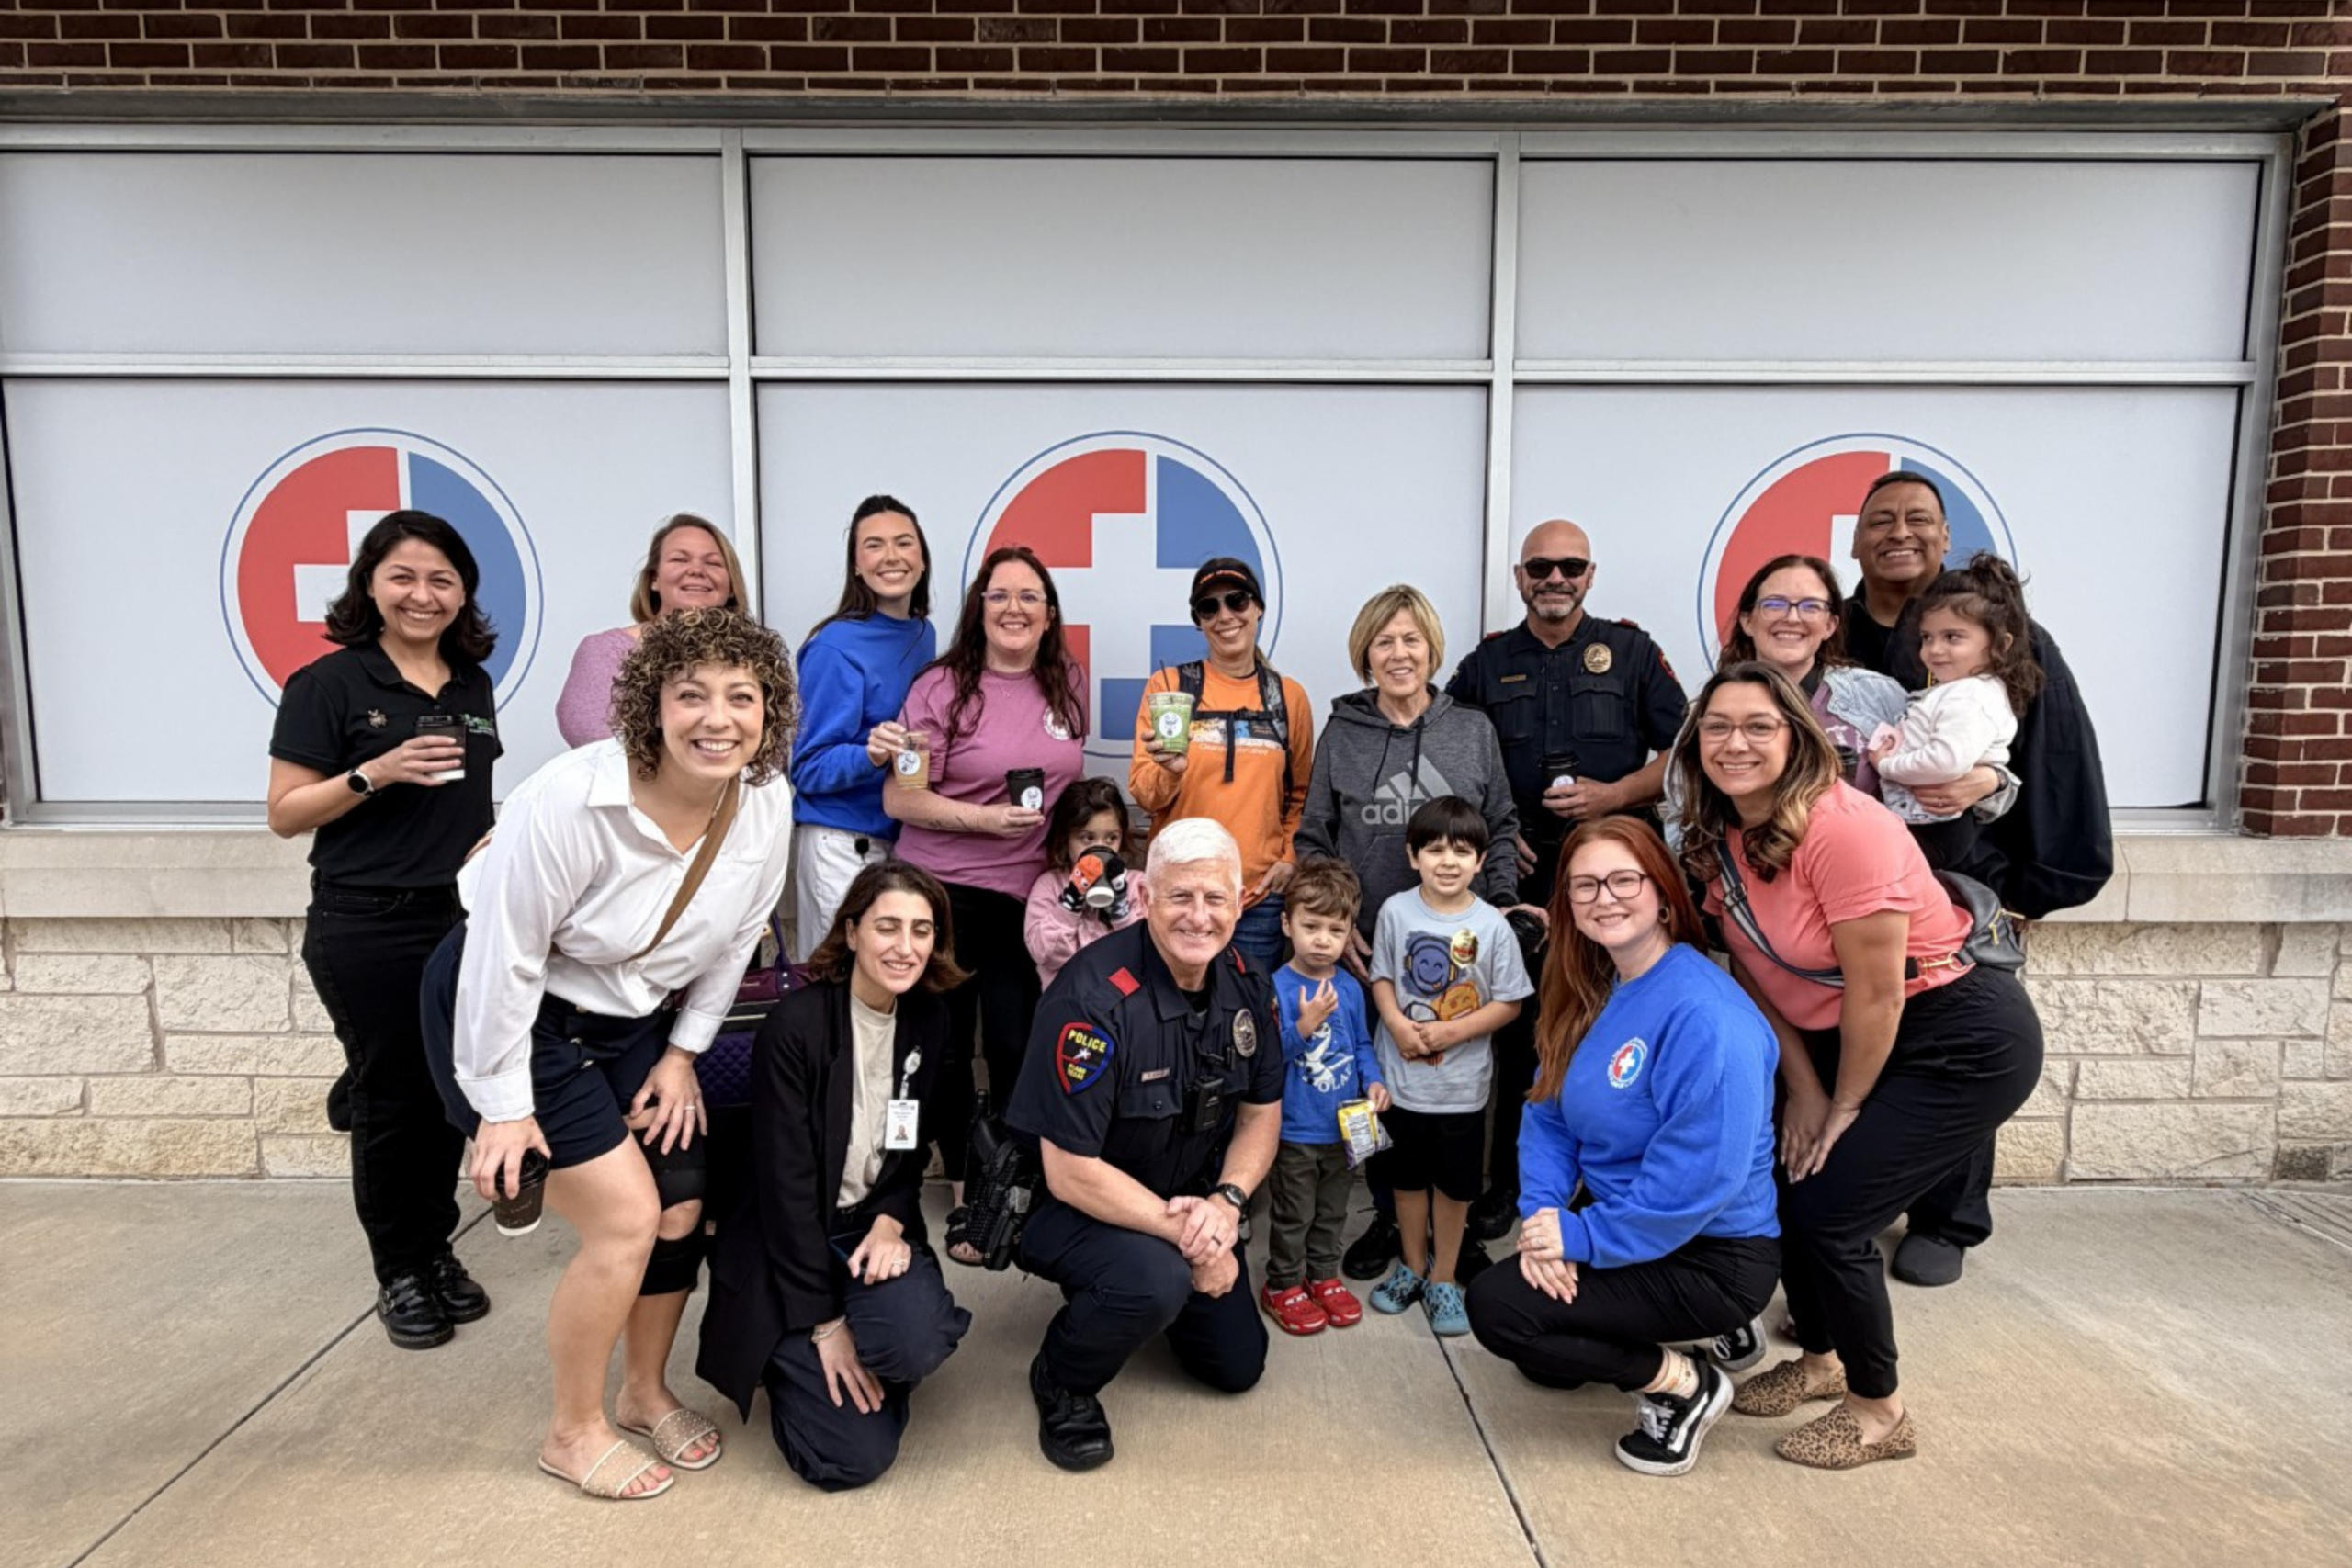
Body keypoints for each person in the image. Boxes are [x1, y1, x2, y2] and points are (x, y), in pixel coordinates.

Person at [422, 608, 797, 1502]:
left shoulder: (765, 802)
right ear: (649, 705)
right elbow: (504, 958)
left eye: (741, 697)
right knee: (626, 1217)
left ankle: (641, 1392)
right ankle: (571, 1429)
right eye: (691, 694)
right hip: (515, 1015)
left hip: (629, 1021)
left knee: (682, 1198)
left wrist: (682, 1056)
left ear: (768, 711)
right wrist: (503, 1107)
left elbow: (738, 938)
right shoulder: (567, 799)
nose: (718, 718)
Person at [1672, 661, 2044, 1470]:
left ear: (1796, 737)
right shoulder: (1722, 833)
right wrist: (1804, 1089)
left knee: (1833, 1210)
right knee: (1791, 1183)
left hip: (1955, 1036)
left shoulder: (1845, 828)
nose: (1735, 743)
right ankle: (1820, 1360)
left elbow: (1879, 992)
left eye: (1759, 726)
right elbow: (1756, 970)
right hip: (1845, 1038)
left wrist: (1841, 1108)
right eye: (1717, 726)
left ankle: (1879, 1410)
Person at [1842, 470, 2111, 1287]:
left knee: (1956, 1040)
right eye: (1880, 519)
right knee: (1852, 1034)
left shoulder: (2009, 642)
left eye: (1918, 519)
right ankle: (1857, 1195)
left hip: (1957, 885)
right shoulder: (1833, 634)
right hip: (1851, 884)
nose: (1899, 532)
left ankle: (1949, 1216)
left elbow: (2053, 761)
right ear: (1854, 540)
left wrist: (2019, 859)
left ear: (1944, 535)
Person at [1464, 816, 1780, 1479]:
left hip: (1711, 1252)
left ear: (1663, 892)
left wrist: (1581, 1238)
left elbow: (1698, 1179)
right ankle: (1678, 1328)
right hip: (1628, 1219)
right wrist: (1545, 1213)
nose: (1603, 898)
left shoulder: (1706, 1016)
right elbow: (1547, 1111)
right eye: (1584, 886)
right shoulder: (1597, 983)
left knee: (1501, 1312)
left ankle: (1684, 1383)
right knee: (1548, 1361)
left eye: (1623, 880)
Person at [266, 511, 501, 1351]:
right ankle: (399, 1266)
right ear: (370, 583)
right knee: (392, 1098)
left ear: (463, 592)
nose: (422, 594)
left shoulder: (471, 682)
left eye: (441, 579)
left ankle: (434, 1248)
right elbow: (286, 813)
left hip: (457, 919)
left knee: (445, 1094)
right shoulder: (328, 684)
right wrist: (376, 771)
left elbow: (469, 799)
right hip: (366, 921)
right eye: (403, 576)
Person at [1008, 818, 1284, 1472]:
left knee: (1236, 1366)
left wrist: (1225, 1204)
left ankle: (1136, 1288)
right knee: (1154, 1281)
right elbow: (1070, 1172)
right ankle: (1063, 1377)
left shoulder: (1246, 983)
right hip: (1067, 1205)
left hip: (1187, 1200)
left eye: (1215, 898)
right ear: (1145, 897)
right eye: (1180, 896)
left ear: (1240, 902)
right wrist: (1191, 1239)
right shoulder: (1091, 999)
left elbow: (1260, 1115)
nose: (1199, 916)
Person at [1444, 519, 1690, 1245]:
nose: (1556, 578)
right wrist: (1492, 826)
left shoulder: (1633, 651)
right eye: (1541, 567)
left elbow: (1685, 750)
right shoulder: (1487, 663)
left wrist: (1614, 796)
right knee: (1523, 1031)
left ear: (1590, 574)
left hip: (1616, 874)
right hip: (1524, 874)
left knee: (1617, 1024)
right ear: (1520, 577)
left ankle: (1607, 1182)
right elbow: (1450, 752)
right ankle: (1514, 1181)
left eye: (1570, 566)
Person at [697, 862, 974, 1491]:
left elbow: (907, 1150)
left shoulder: (928, 1020)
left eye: (922, 930)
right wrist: (826, 1324)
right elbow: (785, 1192)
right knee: (852, 1459)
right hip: (785, 1242)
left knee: (917, 1341)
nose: (905, 947)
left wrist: (890, 1220)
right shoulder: (796, 1027)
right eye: (887, 926)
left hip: (864, 1232)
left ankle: (848, 1355)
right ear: (851, 933)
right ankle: (790, 1350)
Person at [1294, 583, 1523, 1284]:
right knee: (1374, 1089)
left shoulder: (1471, 730)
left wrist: (1501, 903)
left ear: (1432, 650)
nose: (1399, 653)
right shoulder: (1343, 733)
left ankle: (1453, 1228)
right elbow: (1314, 835)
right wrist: (1337, 922)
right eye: (1384, 641)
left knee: (1453, 1096)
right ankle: (1388, 1217)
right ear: (1365, 654)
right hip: (1369, 951)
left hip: (1459, 958)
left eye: (1411, 639)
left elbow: (1502, 824)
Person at [886, 545, 1087, 1263]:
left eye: (1029, 596)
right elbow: (900, 796)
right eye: (999, 595)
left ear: (1049, 613)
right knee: (942, 1052)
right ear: (978, 608)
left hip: (1026, 899)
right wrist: (984, 820)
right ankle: (968, 1190)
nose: (1013, 608)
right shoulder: (940, 687)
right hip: (942, 893)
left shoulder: (1067, 681)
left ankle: (1009, 1184)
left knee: (1014, 1045)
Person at [1363, 797, 1532, 1337]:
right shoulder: (1395, 911)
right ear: (1412, 856)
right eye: (1434, 850)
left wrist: (1452, 1032)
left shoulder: (1493, 927)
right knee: (1406, 1182)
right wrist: (1395, 1024)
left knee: (1456, 1188)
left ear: (1480, 861)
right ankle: (1412, 1267)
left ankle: (1443, 1277)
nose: (1448, 861)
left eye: (1461, 851)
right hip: (1401, 1084)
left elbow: (1510, 1002)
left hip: (1460, 1090)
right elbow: (1382, 977)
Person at [1128, 557, 1315, 967]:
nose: (1225, 616)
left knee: (1246, 1007)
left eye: (1237, 600)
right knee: (1170, 1006)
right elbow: (1144, 795)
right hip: (1178, 896)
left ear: (1258, 607)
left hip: (1255, 899)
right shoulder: (1169, 687)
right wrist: (1169, 772)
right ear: (1198, 621)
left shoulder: (1289, 697)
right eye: (1208, 607)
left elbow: (1302, 795)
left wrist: (1289, 858)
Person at [789, 496, 938, 951]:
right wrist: (868, 755)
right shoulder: (834, 647)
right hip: (842, 846)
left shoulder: (924, 634)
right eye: (874, 545)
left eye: (903, 543)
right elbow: (806, 768)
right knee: (837, 979)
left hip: (900, 845)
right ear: (856, 565)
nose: (891, 556)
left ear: (922, 558)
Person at [1259, 856, 1386, 1337]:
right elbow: (1267, 1060)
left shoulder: (1350, 988)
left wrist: (1374, 1082)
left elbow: (1361, 1045)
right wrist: (1304, 1027)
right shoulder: (1276, 986)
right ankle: (1283, 1283)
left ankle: (1323, 1276)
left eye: (1335, 930)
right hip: (1295, 1129)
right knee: (1294, 1213)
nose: (1321, 940)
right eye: (1310, 926)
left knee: (1333, 1210)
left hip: (1345, 1128)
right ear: (1287, 924)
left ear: (1349, 932)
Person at [1869, 553, 2040, 869]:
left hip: (1933, 825)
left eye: (1952, 637)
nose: (1934, 650)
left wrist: (1887, 766)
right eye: (1927, 637)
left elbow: (1946, 761)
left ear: (2000, 645)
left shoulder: (1970, 697)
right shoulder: (1963, 689)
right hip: (1927, 820)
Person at [555, 513, 748, 746]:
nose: (697, 570)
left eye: (713, 563)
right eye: (680, 560)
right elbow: (595, 738)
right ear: (654, 579)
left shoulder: (755, 659)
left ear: (731, 586)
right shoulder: (606, 652)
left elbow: (770, 748)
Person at [1023, 777, 1148, 988]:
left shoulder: (1137, 885)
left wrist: (1120, 908)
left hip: (1124, 1001)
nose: (1101, 848)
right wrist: (1070, 902)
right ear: (1066, 838)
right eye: (1087, 838)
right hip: (1067, 1000)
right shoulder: (1049, 886)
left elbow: (1145, 957)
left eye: (1111, 838)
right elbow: (1046, 956)